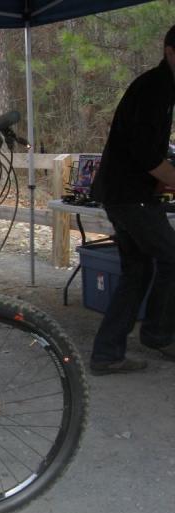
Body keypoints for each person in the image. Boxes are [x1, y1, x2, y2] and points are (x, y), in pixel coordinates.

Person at [89, 25, 175, 375]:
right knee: (172, 258)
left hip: (126, 193)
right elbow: (145, 154)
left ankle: (107, 354)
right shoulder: (154, 88)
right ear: (171, 51)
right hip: (128, 196)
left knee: (136, 271)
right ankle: (156, 334)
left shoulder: (164, 90)